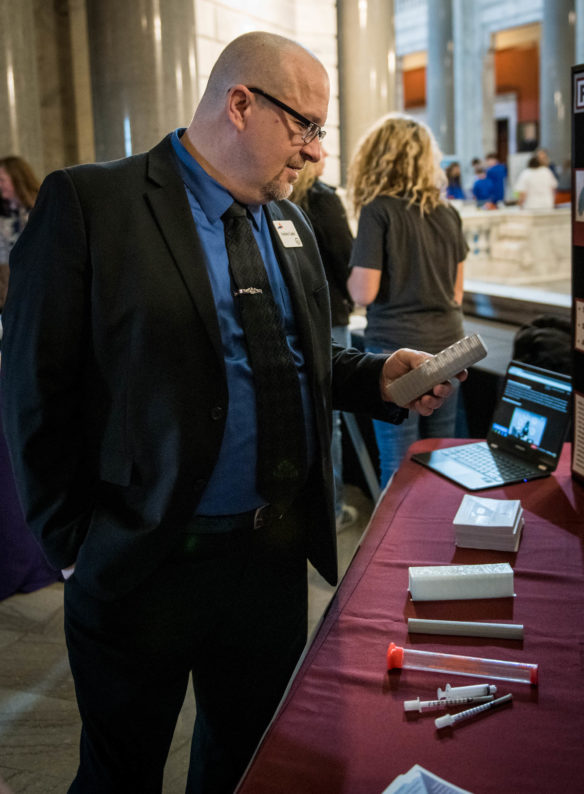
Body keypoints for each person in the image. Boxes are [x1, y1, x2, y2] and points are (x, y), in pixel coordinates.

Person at [0, 32, 462, 794]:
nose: (316, 153)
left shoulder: (292, 220)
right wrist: (70, 542)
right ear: (240, 105)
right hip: (144, 556)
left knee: (248, 763)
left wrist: (378, 375)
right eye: (304, 126)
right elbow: (33, 384)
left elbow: (294, 358)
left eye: (321, 131)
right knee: (121, 773)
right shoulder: (94, 203)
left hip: (270, 561)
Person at [347, 113, 468, 488]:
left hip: (396, 348)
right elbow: (456, 294)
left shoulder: (378, 209)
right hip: (449, 345)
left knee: (399, 465)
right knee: (441, 457)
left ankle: (395, 548)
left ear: (379, 157)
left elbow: (363, 292)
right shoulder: (449, 213)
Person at [289, 147, 357, 530]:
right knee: (329, 418)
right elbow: (345, 257)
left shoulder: (279, 199)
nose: (326, 151)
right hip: (328, 316)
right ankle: (331, 509)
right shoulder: (324, 199)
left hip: (293, 317)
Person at [0, 156, 40, 313]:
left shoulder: (40, 207)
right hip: (9, 287)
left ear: (17, 179)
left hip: (36, 284)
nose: (0, 185)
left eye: (2, 180)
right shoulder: (4, 212)